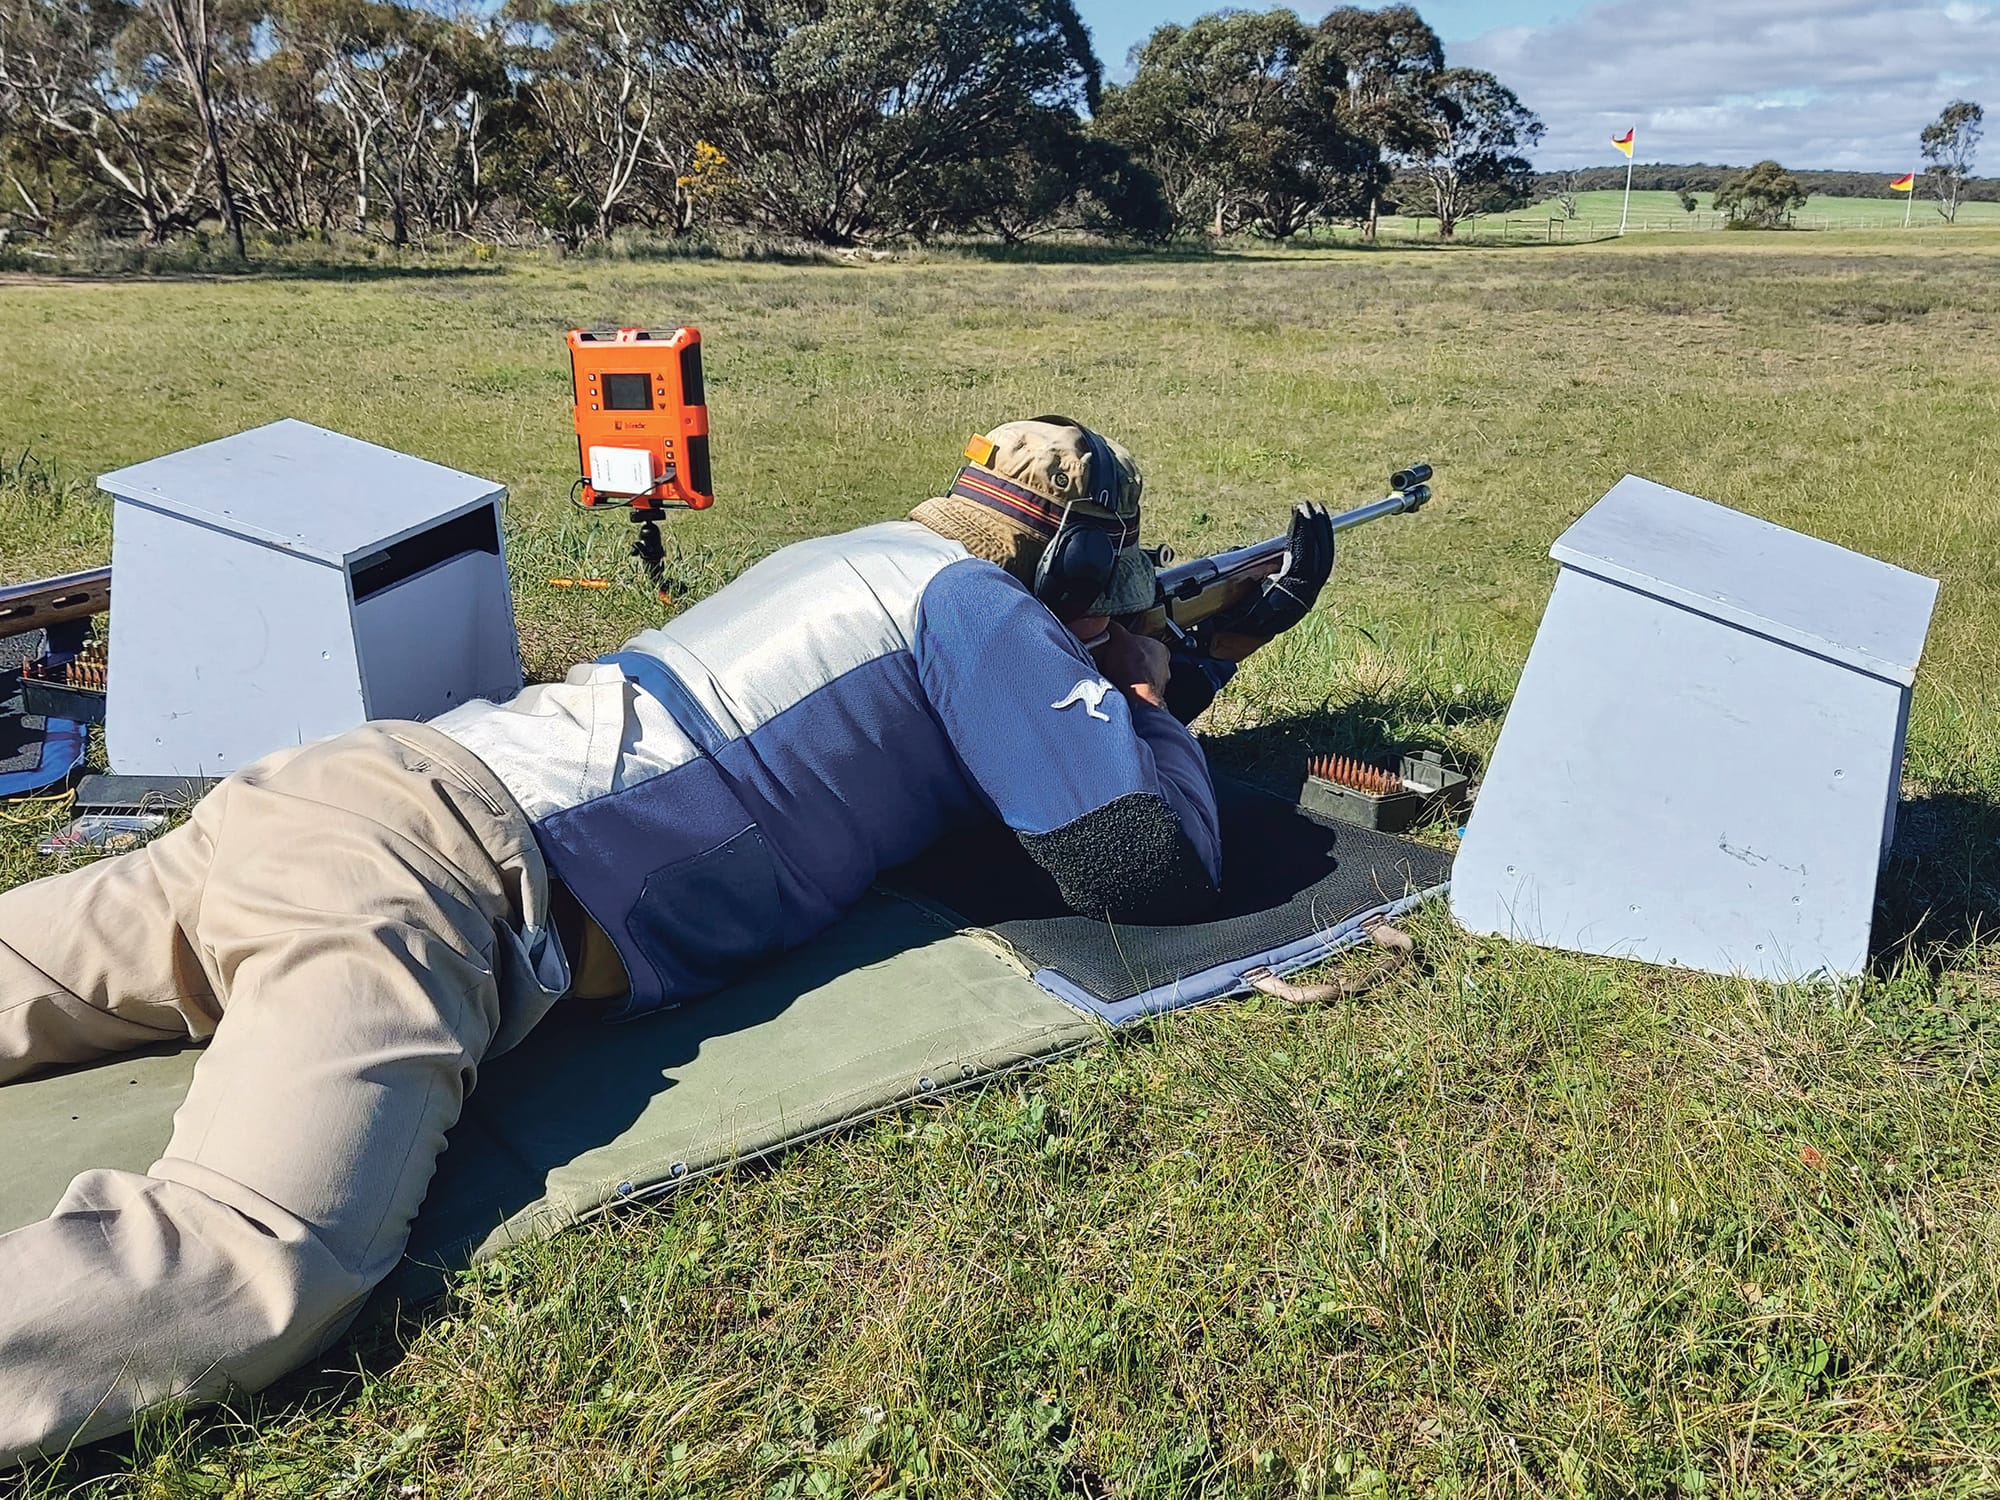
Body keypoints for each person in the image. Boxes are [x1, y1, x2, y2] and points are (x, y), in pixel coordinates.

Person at [0, 418, 1335, 1464]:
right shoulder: (980, 616)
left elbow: (982, 767)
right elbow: (1137, 862)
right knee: (250, 1266)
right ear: (1085, 570)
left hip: (341, 792)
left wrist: (1182, 653)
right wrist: (1156, 688)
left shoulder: (870, 561)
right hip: (432, 877)